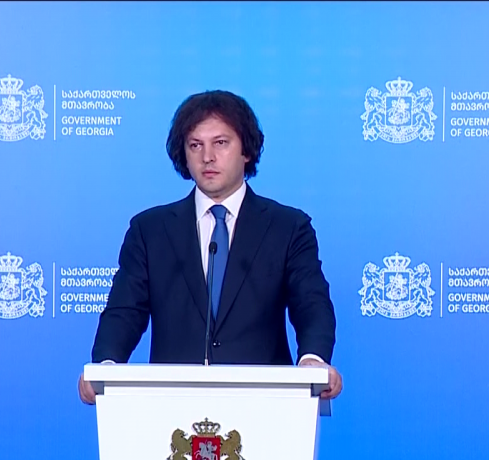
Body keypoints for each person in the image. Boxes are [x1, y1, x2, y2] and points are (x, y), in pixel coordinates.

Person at [78, 90, 342, 404]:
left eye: (220, 143)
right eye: (195, 145)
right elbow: (124, 311)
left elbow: (311, 303)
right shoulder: (150, 230)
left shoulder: (288, 227)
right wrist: (105, 365)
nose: (207, 157)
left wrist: (313, 359)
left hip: (265, 404)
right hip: (171, 407)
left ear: (246, 150)